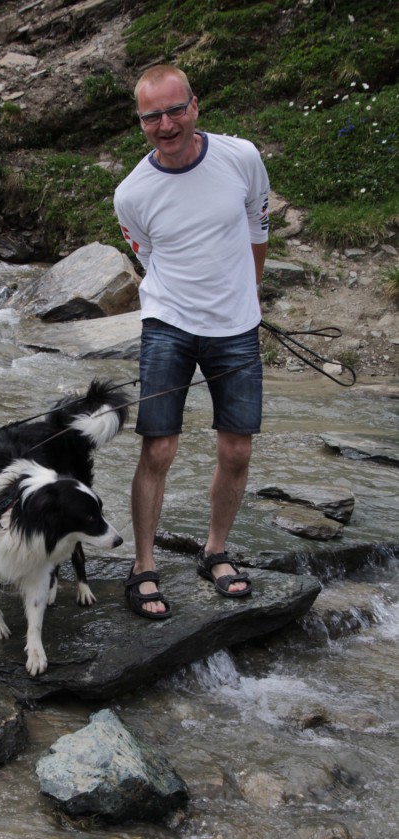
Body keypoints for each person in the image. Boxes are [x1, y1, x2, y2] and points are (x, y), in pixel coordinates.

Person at [113, 64, 269, 618]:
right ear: (141, 123)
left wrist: (247, 292)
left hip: (236, 327)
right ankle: (144, 565)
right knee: (158, 448)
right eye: (152, 115)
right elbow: (149, 257)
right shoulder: (131, 194)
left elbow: (257, 225)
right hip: (169, 326)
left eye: (175, 109)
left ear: (195, 106)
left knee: (237, 449)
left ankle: (216, 550)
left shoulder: (242, 158)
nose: (166, 123)